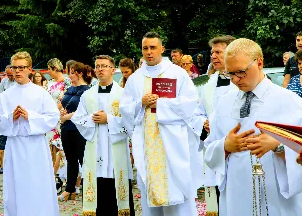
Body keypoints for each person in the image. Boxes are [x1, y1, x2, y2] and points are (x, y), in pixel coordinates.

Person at [204, 38, 302, 216]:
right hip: (236, 193)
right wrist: (225, 146)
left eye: (241, 72)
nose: (235, 80)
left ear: (259, 62)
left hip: (277, 196)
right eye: (230, 74)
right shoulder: (224, 103)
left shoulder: (289, 101)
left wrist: (278, 145)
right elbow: (209, 150)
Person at [120, 32, 199, 216]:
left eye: (153, 48)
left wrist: (161, 104)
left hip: (172, 142)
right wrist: (141, 103)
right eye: (145, 48)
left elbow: (190, 104)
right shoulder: (135, 78)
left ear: (162, 49)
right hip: (147, 144)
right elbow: (125, 109)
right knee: (150, 189)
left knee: (177, 188)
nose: (149, 52)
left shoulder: (177, 74)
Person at [0, 51, 60, 216]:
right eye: (14, 67)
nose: (17, 71)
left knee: (37, 184)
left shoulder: (40, 93)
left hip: (36, 146)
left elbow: (53, 117)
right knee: (16, 186)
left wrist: (30, 117)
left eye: (21, 67)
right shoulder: (5, 96)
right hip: (15, 147)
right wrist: (10, 118)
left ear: (29, 69)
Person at [72, 55, 135, 216]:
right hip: (96, 149)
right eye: (98, 66)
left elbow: (131, 121)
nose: (100, 69)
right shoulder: (88, 95)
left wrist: (110, 119)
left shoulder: (123, 94)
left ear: (113, 70)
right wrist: (92, 119)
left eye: (104, 66)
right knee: (97, 196)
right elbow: (78, 119)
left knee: (118, 198)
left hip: (116, 150)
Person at [191, 35, 237, 215]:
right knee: (215, 199)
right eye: (212, 52)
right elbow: (197, 112)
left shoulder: (242, 82)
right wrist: (204, 123)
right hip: (214, 149)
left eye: (218, 52)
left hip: (235, 148)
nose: (213, 56)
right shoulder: (208, 83)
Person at [58, 62, 91, 201]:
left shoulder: (87, 91)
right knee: (70, 159)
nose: (69, 75)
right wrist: (61, 112)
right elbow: (62, 104)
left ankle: (89, 189)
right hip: (66, 128)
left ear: (79, 73)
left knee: (84, 159)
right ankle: (69, 189)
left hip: (79, 128)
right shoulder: (70, 89)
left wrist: (66, 116)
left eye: (72, 72)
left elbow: (85, 111)